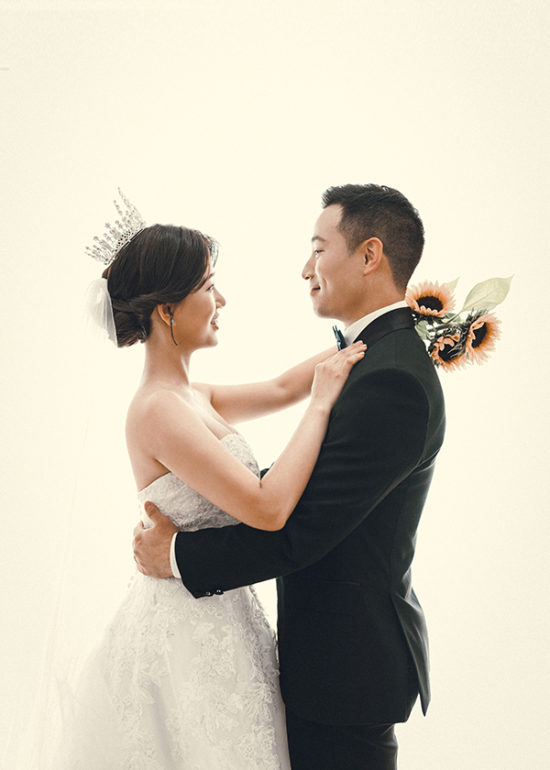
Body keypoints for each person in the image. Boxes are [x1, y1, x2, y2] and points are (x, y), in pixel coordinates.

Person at [134, 183, 446, 770]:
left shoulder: (389, 377)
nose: (305, 268)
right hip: (283, 653)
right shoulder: (378, 361)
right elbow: (286, 489)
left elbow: (294, 524)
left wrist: (175, 555)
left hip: (343, 668)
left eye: (318, 249)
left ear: (370, 255)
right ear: (166, 310)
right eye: (208, 286)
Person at [54, 211, 365, 769]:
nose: (222, 300)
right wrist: (321, 405)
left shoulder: (191, 396)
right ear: (166, 310)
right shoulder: (157, 409)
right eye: (207, 287)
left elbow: (282, 387)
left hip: (223, 615)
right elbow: (267, 508)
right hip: (187, 636)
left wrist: (381, 329)